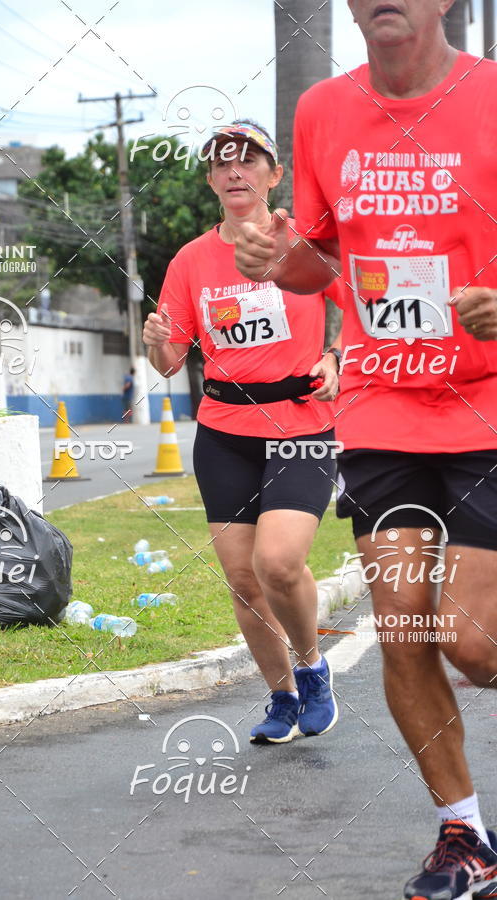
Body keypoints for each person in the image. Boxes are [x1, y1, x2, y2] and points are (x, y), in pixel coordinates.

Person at [235, 3, 497, 898]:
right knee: (406, 631)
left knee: (475, 644)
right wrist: (277, 257)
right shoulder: (322, 111)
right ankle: (462, 834)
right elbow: (321, 257)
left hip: (488, 403)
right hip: (384, 405)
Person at [143, 120, 343, 745]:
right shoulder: (191, 260)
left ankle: (313, 670)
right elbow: (171, 359)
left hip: (302, 423)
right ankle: (282, 697)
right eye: (222, 162)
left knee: (279, 562)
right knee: (244, 579)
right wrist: (156, 346)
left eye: (249, 160)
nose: (235, 170)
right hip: (224, 428)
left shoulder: (300, 242)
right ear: (209, 179)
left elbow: (362, 302)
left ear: (273, 174)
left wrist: (338, 354)